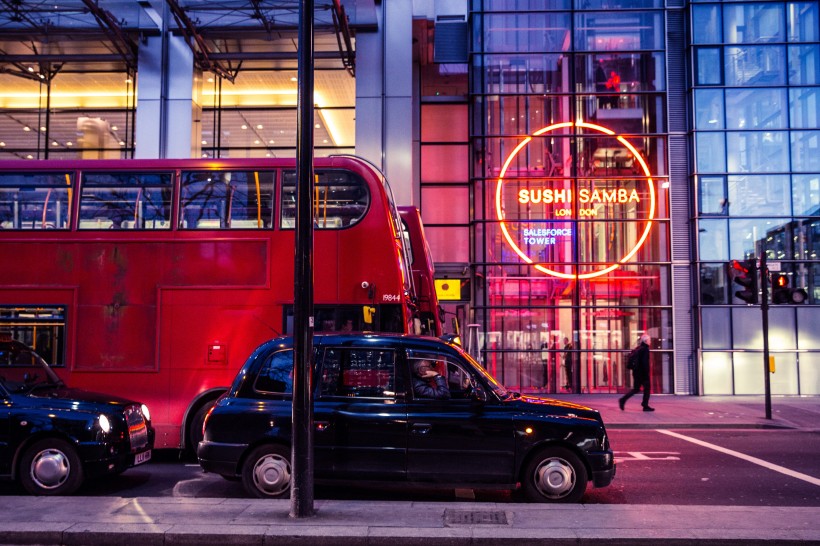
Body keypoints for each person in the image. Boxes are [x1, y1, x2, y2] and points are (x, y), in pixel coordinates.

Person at [619, 333, 654, 411]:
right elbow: (644, 363)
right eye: (649, 340)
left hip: (636, 372)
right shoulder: (645, 349)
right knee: (647, 388)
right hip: (642, 373)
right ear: (645, 341)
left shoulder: (638, 348)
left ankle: (623, 399)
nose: (650, 342)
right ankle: (645, 405)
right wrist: (646, 373)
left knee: (636, 389)